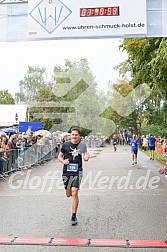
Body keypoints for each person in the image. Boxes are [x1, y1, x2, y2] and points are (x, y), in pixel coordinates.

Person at [58, 128, 89, 226]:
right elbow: (59, 156)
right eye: (73, 134)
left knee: (74, 192)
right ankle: (69, 191)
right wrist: (63, 161)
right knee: (68, 194)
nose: (74, 136)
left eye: (76, 135)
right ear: (70, 135)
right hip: (66, 172)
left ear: (79, 136)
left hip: (77, 171)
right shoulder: (66, 145)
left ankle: (74, 215)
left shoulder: (82, 145)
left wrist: (86, 157)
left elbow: (85, 155)